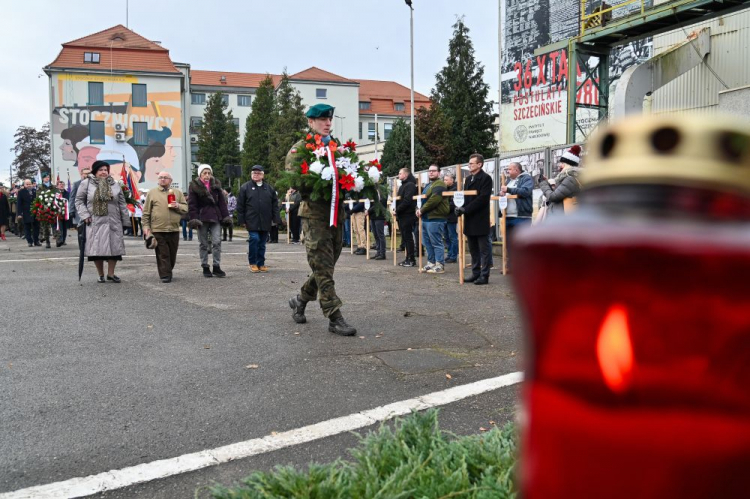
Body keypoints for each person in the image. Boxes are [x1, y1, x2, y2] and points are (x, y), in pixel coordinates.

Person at [285, 103, 357, 336]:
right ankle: (334, 317)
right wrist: (323, 180)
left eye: (329, 120)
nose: (327, 123)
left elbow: (349, 175)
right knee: (324, 269)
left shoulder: (336, 149)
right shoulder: (299, 150)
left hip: (336, 216)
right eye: (322, 120)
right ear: (310, 122)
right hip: (314, 218)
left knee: (326, 266)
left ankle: (299, 300)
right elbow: (297, 182)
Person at [75, 160, 131, 283]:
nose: (104, 172)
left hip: (113, 221)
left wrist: (126, 221)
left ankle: (111, 274)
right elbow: (78, 201)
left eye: (106, 170)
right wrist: (84, 215)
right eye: (101, 170)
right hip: (95, 222)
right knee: (97, 250)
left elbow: (122, 203)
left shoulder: (114, 184)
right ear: (95, 171)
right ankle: (100, 274)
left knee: (115, 249)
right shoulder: (87, 184)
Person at [141, 171, 188, 283]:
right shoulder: (152, 193)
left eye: (165, 178)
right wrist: (146, 228)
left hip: (173, 229)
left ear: (170, 180)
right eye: (160, 177)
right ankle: (165, 275)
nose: (162, 179)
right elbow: (146, 212)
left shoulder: (177, 192)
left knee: (172, 254)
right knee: (163, 253)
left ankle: (167, 270)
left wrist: (177, 205)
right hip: (158, 229)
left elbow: (185, 208)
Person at [455, 154, 493, 285]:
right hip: (470, 219)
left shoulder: (486, 178)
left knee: (484, 249)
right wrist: (459, 207)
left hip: (480, 218)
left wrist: (466, 209)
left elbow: (482, 199)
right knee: (473, 249)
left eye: (472, 163)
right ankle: (475, 273)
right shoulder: (468, 179)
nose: (469, 165)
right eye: (469, 163)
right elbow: (465, 197)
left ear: (479, 164)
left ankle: (484, 275)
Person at [188, 164, 231, 278]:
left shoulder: (216, 185)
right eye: (204, 173)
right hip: (202, 218)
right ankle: (205, 266)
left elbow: (222, 203)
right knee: (203, 243)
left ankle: (216, 266)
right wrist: (194, 218)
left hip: (215, 217)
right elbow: (192, 204)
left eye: (209, 173)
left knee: (217, 242)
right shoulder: (194, 186)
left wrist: (226, 217)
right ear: (200, 174)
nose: (207, 175)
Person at [237, 165, 280, 273]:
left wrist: (276, 218)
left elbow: (275, 205)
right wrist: (241, 220)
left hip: (265, 220)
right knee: (254, 239)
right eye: (254, 173)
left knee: (262, 243)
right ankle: (252, 262)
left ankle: (261, 263)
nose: (256, 175)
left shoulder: (269, 188)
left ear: (263, 175)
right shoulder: (245, 187)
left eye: (258, 173)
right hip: (251, 220)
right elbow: (240, 205)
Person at [416, 165, 449, 274]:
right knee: (427, 242)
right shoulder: (428, 185)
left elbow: (434, 199)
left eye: (434, 171)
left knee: (436, 242)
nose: (431, 173)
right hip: (426, 218)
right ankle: (431, 262)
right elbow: (422, 199)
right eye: (429, 171)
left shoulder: (439, 184)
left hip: (436, 217)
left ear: (439, 173)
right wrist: (418, 208)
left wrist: (422, 210)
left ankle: (439, 264)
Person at [500, 162, 534, 264]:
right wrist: (501, 193)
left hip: (521, 216)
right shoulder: (509, 181)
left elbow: (525, 191)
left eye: (509, 169)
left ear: (516, 170)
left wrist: (508, 189)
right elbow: (506, 193)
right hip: (508, 216)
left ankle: (524, 266)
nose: (508, 171)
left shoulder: (526, 179)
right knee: (509, 244)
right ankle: (512, 266)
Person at [539, 145, 583, 216]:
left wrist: (543, 184)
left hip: (562, 217)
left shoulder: (570, 179)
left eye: (562, 163)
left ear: (567, 165)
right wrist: (548, 184)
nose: (560, 165)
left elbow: (553, 197)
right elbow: (559, 193)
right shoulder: (569, 178)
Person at [395, 168, 418, 267]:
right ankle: (407, 258)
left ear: (406, 174)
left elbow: (407, 200)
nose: (398, 175)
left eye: (400, 173)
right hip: (402, 214)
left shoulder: (410, 185)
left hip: (407, 214)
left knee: (408, 238)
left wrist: (397, 209)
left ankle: (411, 259)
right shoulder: (403, 185)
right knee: (405, 237)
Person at [37, 172, 59, 249]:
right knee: (46, 226)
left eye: (48, 177)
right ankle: (47, 241)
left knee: (55, 224)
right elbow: (38, 197)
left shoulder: (53, 187)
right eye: (46, 177)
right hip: (44, 208)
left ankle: (57, 239)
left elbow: (57, 194)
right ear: (43, 179)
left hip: (53, 207)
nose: (47, 178)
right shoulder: (40, 187)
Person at [368, 181, 389, 260]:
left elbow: (380, 203)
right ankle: (378, 251)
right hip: (373, 216)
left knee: (380, 235)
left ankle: (382, 253)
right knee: (375, 234)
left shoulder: (383, 191)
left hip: (379, 215)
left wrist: (369, 210)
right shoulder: (373, 191)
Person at [17, 179, 40, 247]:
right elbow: (19, 203)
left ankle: (36, 241)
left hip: (35, 211)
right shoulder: (21, 192)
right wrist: (19, 213)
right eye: (27, 184)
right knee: (27, 227)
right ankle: (29, 241)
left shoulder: (35, 191)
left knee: (36, 226)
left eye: (29, 184)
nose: (28, 185)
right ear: (24, 185)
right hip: (26, 212)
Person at [442, 172, 459, 263]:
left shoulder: (455, 189)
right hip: (445, 216)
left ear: (452, 180)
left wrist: (443, 208)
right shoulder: (445, 189)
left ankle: (453, 256)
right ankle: (449, 254)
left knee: (452, 236)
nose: (444, 181)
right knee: (446, 237)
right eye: (444, 180)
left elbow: (453, 204)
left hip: (451, 216)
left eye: (446, 180)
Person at [54, 180, 69, 246]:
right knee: (59, 227)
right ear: (57, 186)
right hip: (57, 213)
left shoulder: (67, 193)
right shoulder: (55, 193)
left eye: (63, 184)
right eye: (60, 184)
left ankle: (63, 240)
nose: (62, 185)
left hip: (65, 213)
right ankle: (59, 240)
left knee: (65, 227)